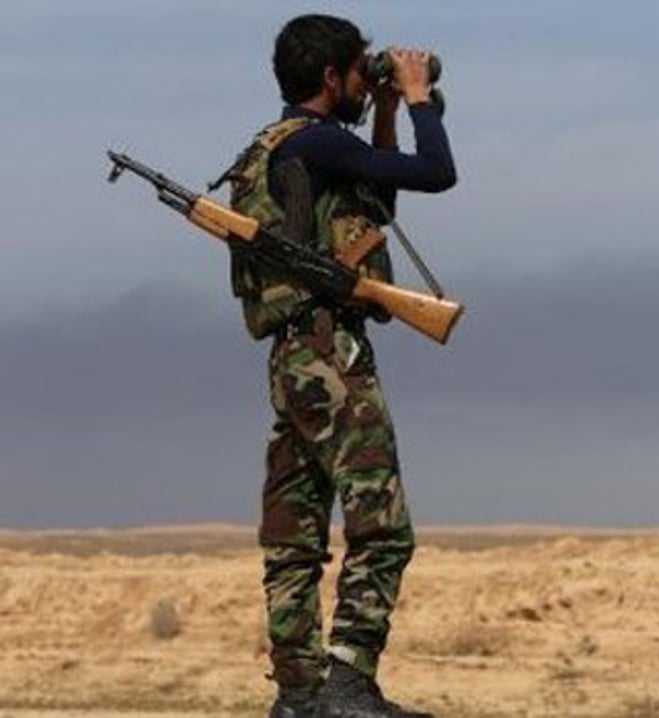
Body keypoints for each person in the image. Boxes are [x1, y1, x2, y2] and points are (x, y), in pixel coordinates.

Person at [215, 13, 456, 718]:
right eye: (360, 72)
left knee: (294, 534)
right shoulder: (319, 142)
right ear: (329, 77)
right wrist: (414, 96)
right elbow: (435, 171)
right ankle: (349, 684)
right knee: (382, 528)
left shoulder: (278, 147)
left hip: (291, 358)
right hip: (331, 354)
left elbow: (374, 201)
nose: (367, 80)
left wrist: (379, 109)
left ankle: (297, 696)